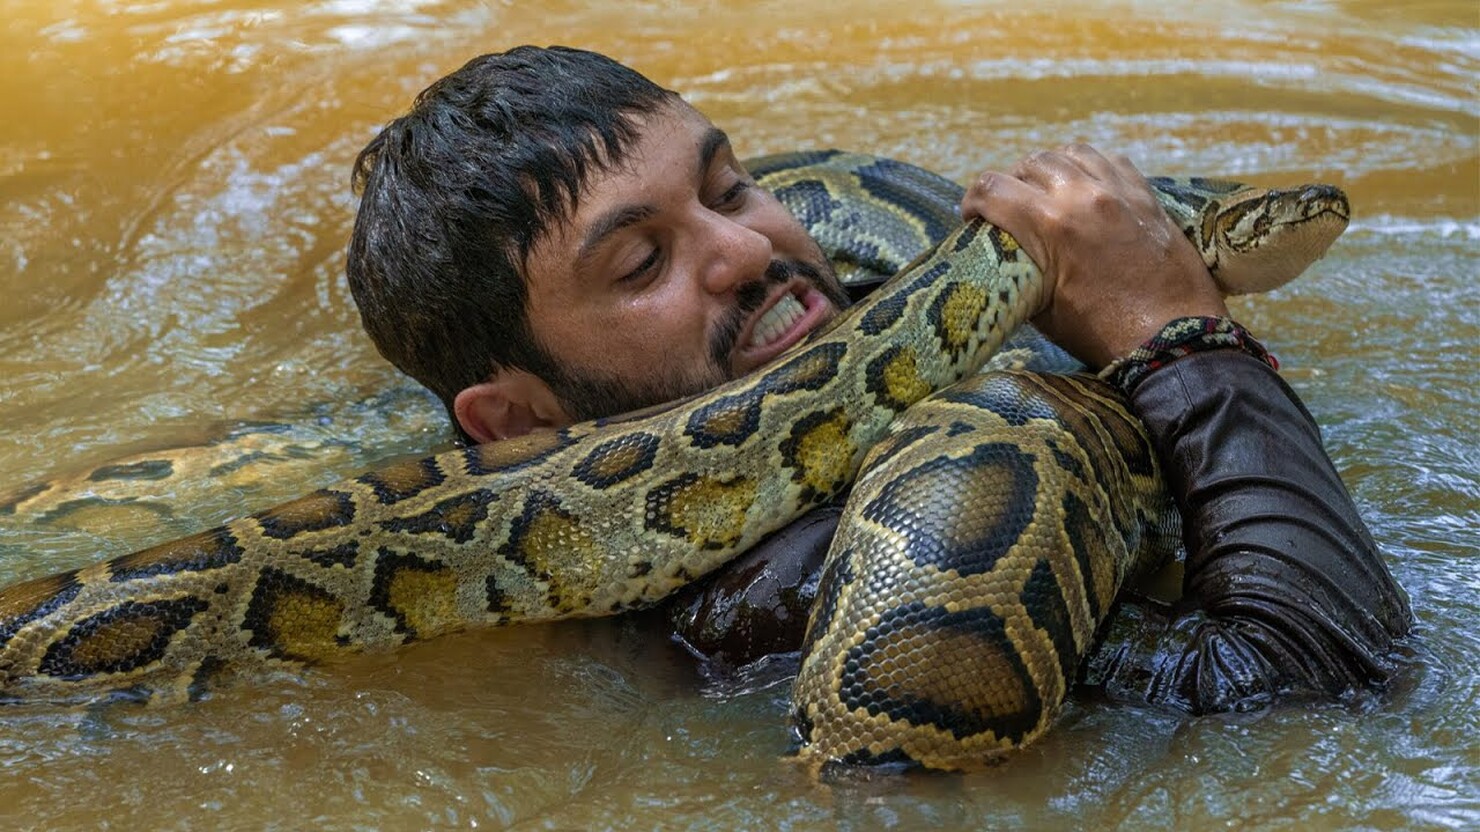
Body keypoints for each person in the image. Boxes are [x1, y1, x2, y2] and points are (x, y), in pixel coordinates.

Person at [345, 45, 1412, 714]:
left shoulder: (891, 304)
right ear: (517, 422)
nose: (746, 249)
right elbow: (1313, 686)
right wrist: (1171, 335)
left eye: (728, 185)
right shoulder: (788, 608)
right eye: (641, 263)